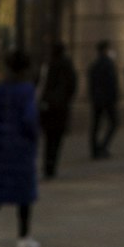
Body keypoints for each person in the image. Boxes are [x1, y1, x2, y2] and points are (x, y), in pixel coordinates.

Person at [0, 48, 39, 247]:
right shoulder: (27, 90)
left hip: (2, 148)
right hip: (21, 150)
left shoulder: (0, 90)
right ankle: (23, 237)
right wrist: (32, 136)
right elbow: (29, 120)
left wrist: (0, 131)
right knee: (24, 196)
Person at [39, 41, 78, 179]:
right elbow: (73, 85)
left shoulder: (50, 65)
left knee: (49, 138)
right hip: (61, 108)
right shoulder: (67, 65)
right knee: (56, 138)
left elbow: (43, 85)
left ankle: (48, 165)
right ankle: (52, 165)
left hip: (49, 107)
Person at [87, 40, 119, 160]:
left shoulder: (94, 65)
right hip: (107, 100)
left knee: (95, 125)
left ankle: (95, 149)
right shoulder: (108, 64)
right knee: (114, 122)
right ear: (105, 50)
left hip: (97, 100)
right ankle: (102, 147)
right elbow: (112, 83)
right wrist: (114, 98)